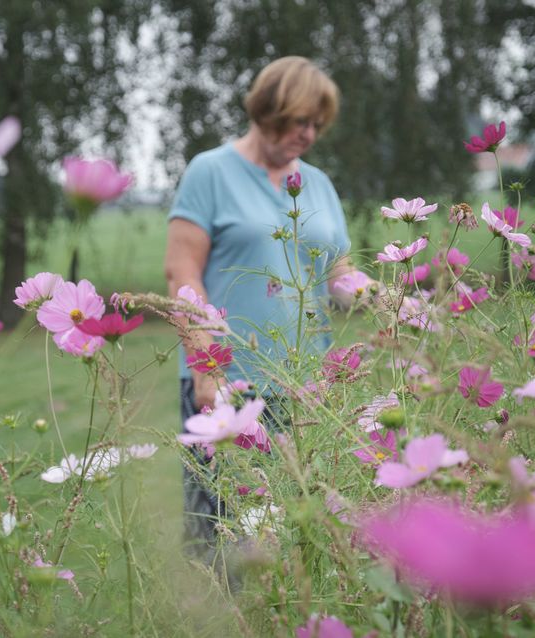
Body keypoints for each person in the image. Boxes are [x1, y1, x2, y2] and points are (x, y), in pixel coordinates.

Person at [163, 56, 367, 549]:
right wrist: (206, 368)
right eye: (301, 121)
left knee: (299, 532)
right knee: (221, 533)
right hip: (228, 385)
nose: (310, 134)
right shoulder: (209, 171)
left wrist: (385, 296)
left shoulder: (317, 183)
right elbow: (182, 273)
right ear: (267, 109)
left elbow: (336, 273)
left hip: (306, 387)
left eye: (318, 124)